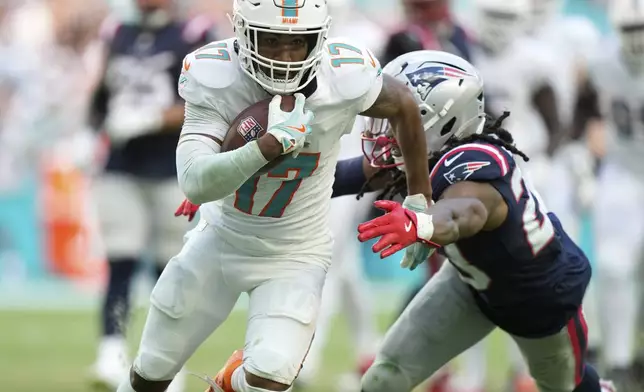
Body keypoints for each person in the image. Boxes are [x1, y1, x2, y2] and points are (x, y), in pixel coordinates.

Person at [116, 0, 433, 391]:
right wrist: (264, 148)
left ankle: (232, 384)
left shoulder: (344, 76)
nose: (285, 57)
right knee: (150, 371)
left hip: (295, 252)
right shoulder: (216, 76)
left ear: (319, 38)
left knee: (271, 373)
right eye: (270, 41)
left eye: (297, 42)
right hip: (221, 239)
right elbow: (195, 182)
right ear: (243, 35)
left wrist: (421, 200)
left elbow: (404, 103)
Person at [350, 49, 614, 392]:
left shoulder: (475, 162)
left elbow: (464, 213)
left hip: (537, 298)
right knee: (386, 376)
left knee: (568, 388)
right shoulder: (424, 155)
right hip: (471, 285)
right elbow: (346, 176)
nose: (388, 127)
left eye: (400, 116)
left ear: (442, 122)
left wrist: (421, 224)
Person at [88, 0, 215, 389]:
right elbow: (101, 93)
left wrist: (152, 119)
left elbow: (206, 100)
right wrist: (90, 130)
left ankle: (166, 364)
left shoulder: (195, 35)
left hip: (172, 169)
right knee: (120, 260)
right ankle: (110, 351)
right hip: (122, 166)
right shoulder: (117, 31)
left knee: (171, 269)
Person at [581, 0, 644, 389]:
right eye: (630, 31)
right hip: (622, 173)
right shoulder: (601, 61)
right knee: (614, 266)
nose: (636, 40)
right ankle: (618, 363)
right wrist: (585, 165)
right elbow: (584, 113)